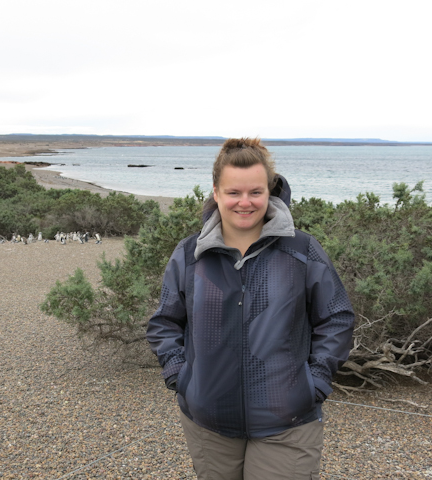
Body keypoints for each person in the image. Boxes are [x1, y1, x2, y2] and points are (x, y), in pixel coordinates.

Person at [146, 138, 354, 479]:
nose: (245, 202)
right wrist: (181, 376)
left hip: (287, 423)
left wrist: (313, 382)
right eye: (234, 192)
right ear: (216, 193)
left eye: (255, 192)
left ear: (269, 192)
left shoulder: (301, 250)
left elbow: (337, 317)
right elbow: (165, 322)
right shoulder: (189, 255)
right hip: (209, 424)